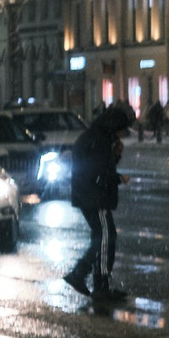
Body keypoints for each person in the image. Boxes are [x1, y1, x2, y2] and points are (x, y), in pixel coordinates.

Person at [62, 104, 135, 301]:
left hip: (89, 195)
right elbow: (99, 172)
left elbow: (99, 167)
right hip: (95, 197)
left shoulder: (97, 136)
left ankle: (96, 282)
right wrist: (119, 179)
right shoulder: (99, 140)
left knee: (104, 237)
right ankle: (87, 277)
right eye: (122, 129)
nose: (124, 134)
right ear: (115, 126)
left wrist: (116, 155)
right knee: (105, 238)